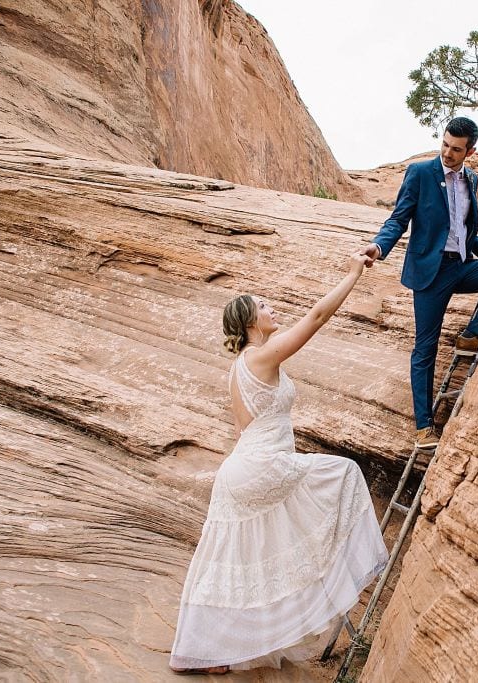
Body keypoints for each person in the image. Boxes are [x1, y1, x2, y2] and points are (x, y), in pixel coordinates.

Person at [169, 252, 388, 674]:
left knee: (230, 564)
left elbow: (242, 430)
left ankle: (200, 652)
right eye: (264, 306)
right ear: (251, 321)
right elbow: (319, 316)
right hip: (263, 466)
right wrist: (352, 274)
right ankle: (339, 578)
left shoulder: (239, 368)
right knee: (345, 473)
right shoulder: (260, 356)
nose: (272, 310)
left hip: (241, 470)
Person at [360, 117, 478, 449]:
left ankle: (472, 333)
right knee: (425, 349)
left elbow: (466, 230)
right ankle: (424, 427)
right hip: (429, 275)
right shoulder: (421, 173)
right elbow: (399, 218)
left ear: (470, 151)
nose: (448, 153)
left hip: (462, 267)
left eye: (456, 149)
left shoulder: (471, 179)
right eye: (445, 145)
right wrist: (379, 246)